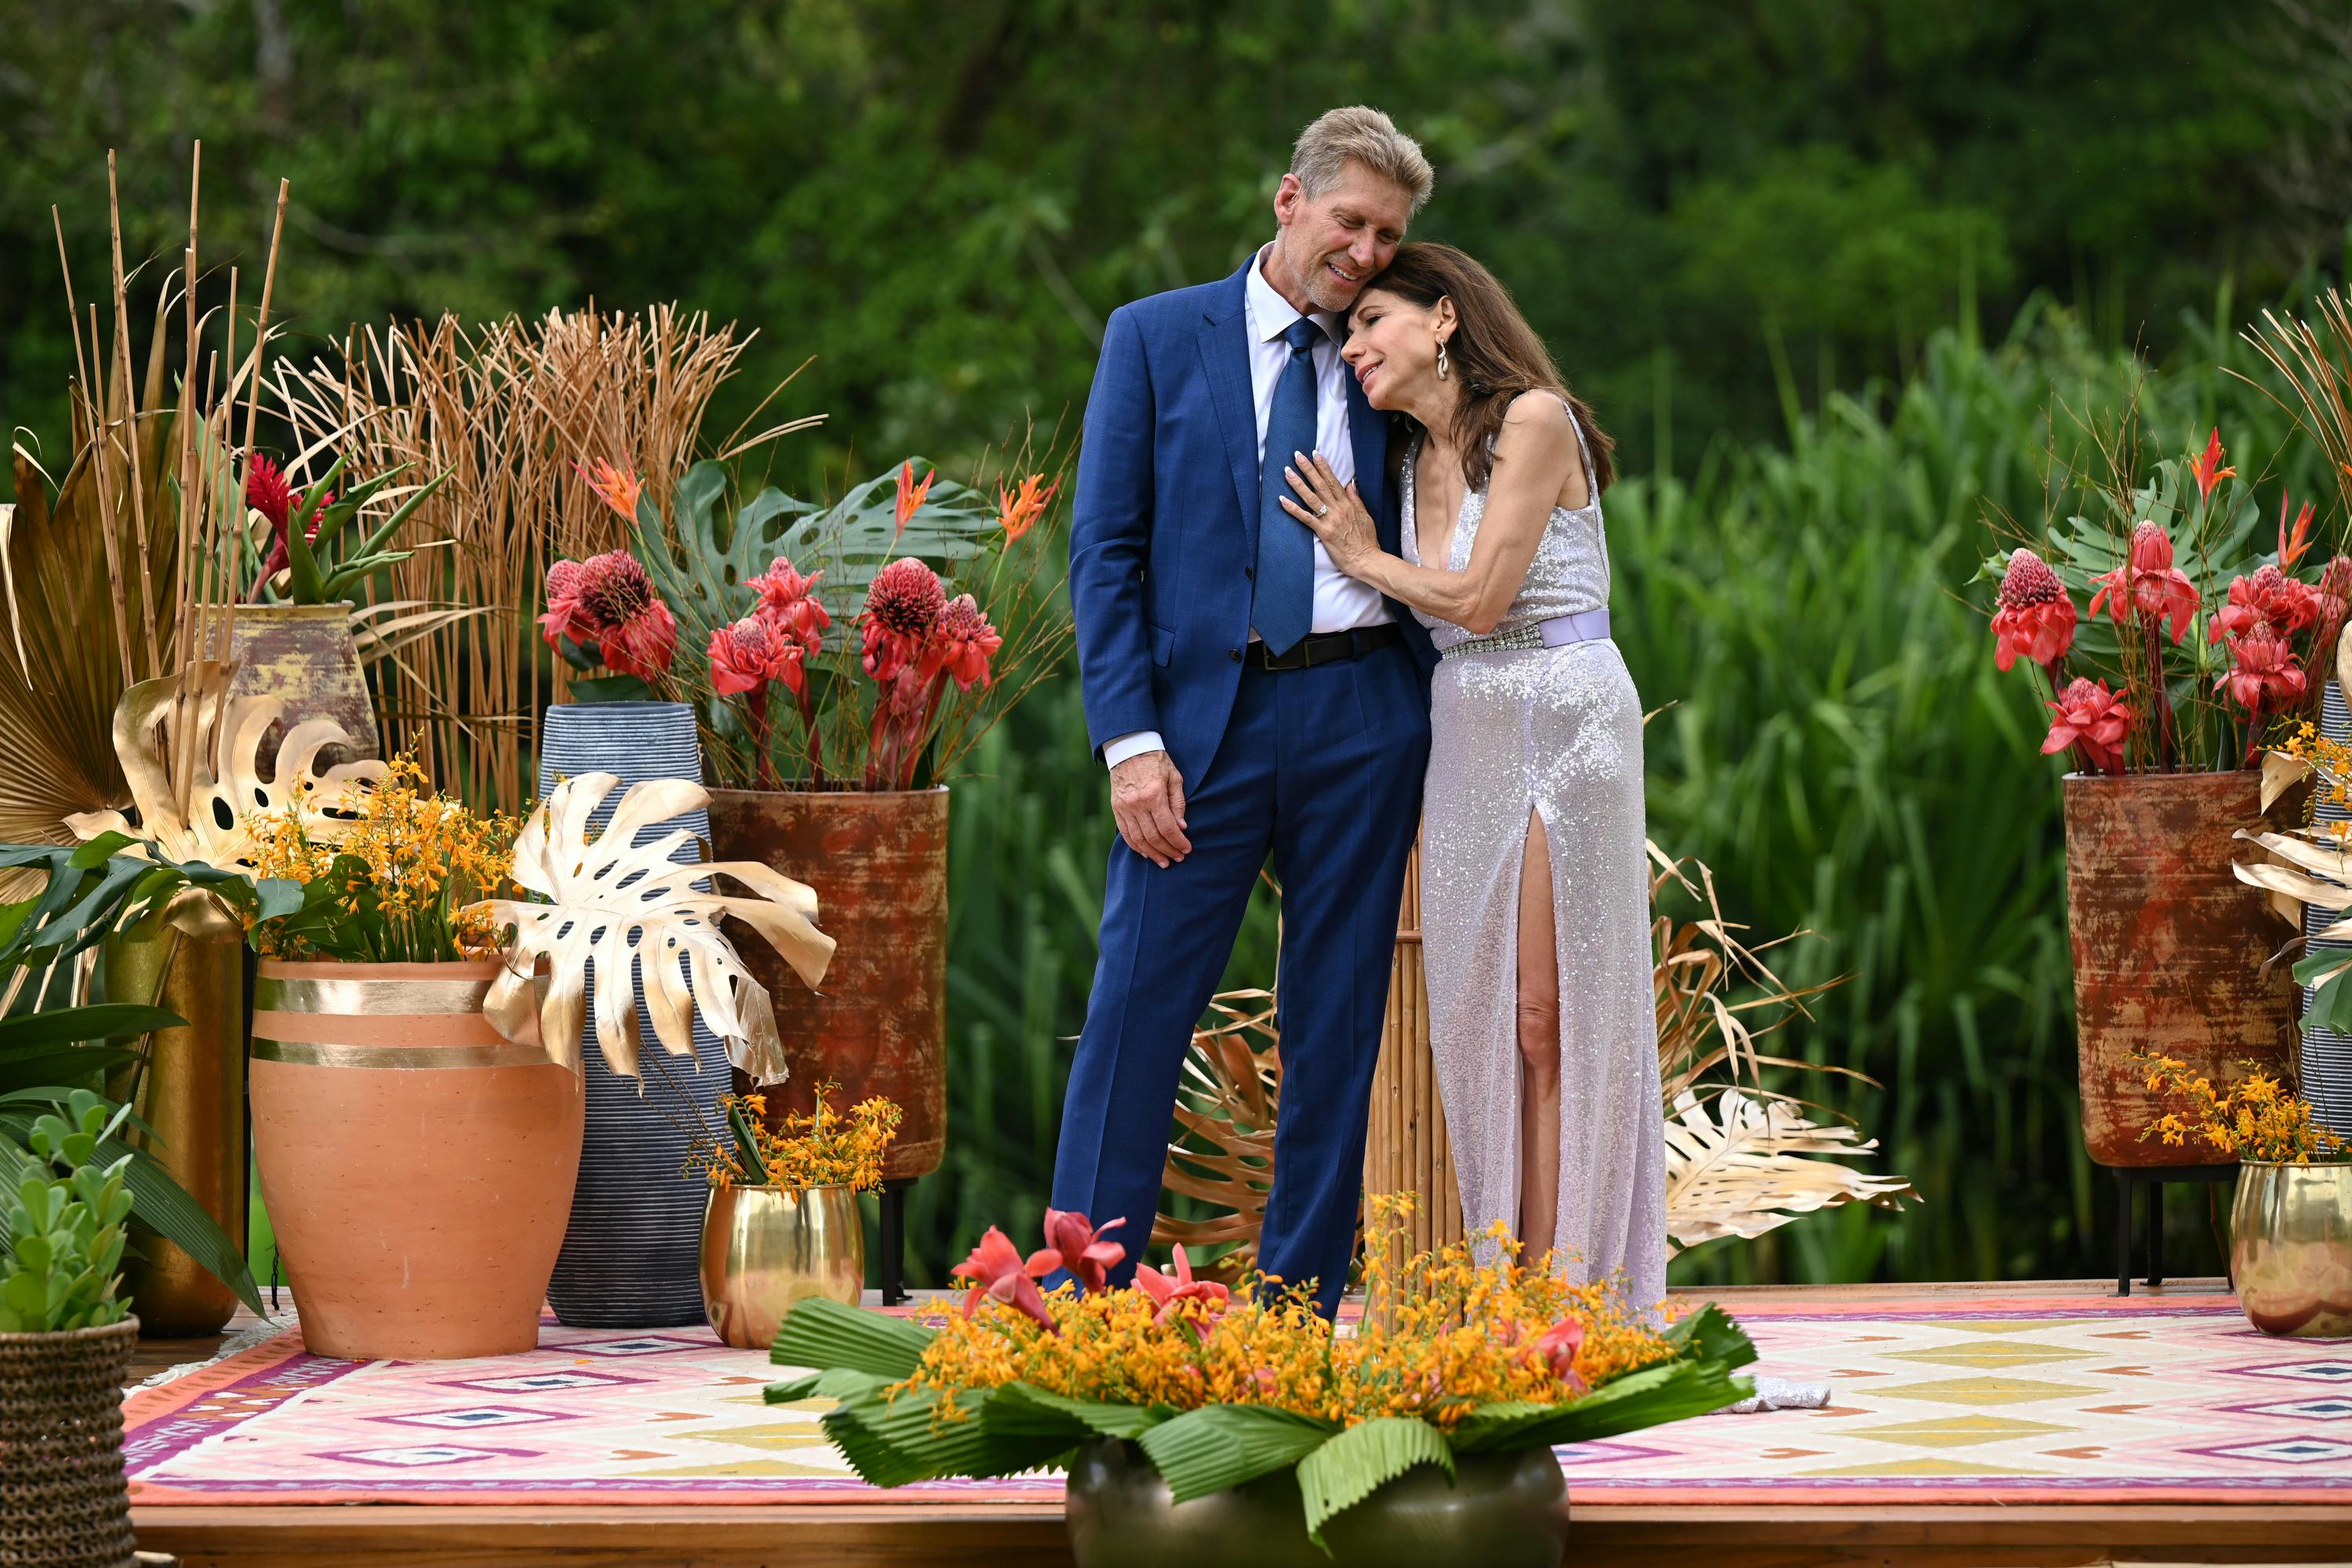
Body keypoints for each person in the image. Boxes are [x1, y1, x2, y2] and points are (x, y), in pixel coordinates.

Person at [1052, 107, 1439, 1317]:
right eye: (1351, 221)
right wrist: (1131, 745)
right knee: (1134, 1014)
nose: (1368, 253)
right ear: (1290, 200)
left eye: (1388, 235)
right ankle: (1089, 1307)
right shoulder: (1157, 337)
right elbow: (1105, 553)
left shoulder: (1389, 356)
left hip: (1366, 716)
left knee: (1334, 1029)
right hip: (1197, 735)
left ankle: (1296, 1314)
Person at [1281, 241, 1666, 1307]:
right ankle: (1512, 1283)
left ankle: (1566, 1297)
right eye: (1347, 331)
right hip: (1468, 731)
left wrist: (1364, 560)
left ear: (1443, 318)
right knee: (1481, 1018)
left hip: (1563, 711)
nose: (1352, 344)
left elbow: (1486, 599)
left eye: (1370, 323)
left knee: (1550, 1014)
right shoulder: (1404, 464)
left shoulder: (1536, 421)